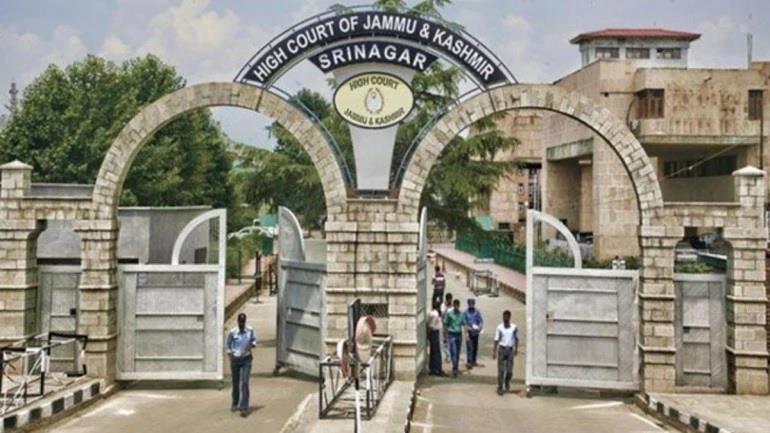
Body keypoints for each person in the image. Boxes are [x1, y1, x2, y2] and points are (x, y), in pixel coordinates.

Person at [226, 313, 257, 416]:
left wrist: (251, 345)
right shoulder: (233, 332)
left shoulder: (250, 331)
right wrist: (231, 355)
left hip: (246, 359)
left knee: (244, 382)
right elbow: (228, 345)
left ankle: (244, 407)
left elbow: (254, 340)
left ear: (245, 322)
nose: (241, 324)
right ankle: (235, 402)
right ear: (238, 322)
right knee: (235, 382)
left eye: (243, 322)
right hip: (235, 359)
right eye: (240, 322)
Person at [492, 310, 518, 396]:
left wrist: (516, 349)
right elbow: (496, 339)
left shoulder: (514, 327)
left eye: (507, 317)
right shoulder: (499, 327)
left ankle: (507, 381)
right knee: (501, 370)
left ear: (509, 317)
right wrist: (494, 351)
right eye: (504, 317)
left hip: (510, 350)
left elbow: (516, 338)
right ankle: (500, 387)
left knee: (509, 370)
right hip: (502, 349)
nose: (505, 319)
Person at [443, 299, 465, 378]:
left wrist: (466, 335)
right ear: (453, 305)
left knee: (457, 352)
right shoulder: (449, 314)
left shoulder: (461, 314)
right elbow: (445, 324)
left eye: (457, 305)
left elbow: (464, 324)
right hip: (451, 334)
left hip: (459, 334)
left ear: (459, 306)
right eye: (455, 305)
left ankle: (456, 366)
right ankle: (454, 368)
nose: (456, 307)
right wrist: (445, 336)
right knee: (453, 352)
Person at [463, 298, 484, 369]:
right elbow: (464, 323)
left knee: (475, 347)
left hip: (476, 332)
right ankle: (469, 362)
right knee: (469, 347)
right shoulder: (465, 313)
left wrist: (480, 327)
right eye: (470, 304)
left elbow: (481, 321)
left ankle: (474, 361)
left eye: (472, 304)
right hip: (469, 332)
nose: (471, 305)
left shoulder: (477, 312)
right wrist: (467, 331)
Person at [427, 301, 445, 376]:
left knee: (433, 351)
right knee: (436, 351)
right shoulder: (435, 314)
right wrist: (429, 334)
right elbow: (431, 326)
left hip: (433, 332)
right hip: (434, 332)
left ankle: (433, 368)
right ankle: (438, 368)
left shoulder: (432, 313)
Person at [440, 292, 453, 363]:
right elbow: (442, 315)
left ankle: (450, 355)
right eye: (449, 300)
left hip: (452, 326)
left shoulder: (452, 306)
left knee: (451, 340)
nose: (450, 301)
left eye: (451, 300)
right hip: (445, 326)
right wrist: (447, 309)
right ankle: (448, 356)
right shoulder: (443, 305)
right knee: (445, 341)